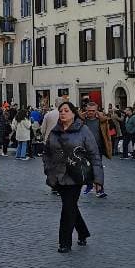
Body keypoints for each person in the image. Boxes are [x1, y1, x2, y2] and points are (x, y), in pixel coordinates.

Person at [42, 101, 104, 253]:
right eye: (61, 111)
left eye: (66, 111)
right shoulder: (54, 131)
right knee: (71, 206)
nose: (63, 113)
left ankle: (64, 242)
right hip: (58, 174)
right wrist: (48, 169)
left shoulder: (83, 130)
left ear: (73, 113)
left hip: (76, 175)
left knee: (68, 207)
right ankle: (82, 232)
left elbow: (94, 154)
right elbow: (47, 152)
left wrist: (98, 179)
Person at [81, 101, 112, 197]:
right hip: (85, 148)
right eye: (89, 110)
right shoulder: (82, 121)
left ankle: (99, 188)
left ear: (97, 111)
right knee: (87, 168)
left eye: (93, 111)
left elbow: (107, 131)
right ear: (86, 110)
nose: (90, 112)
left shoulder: (101, 121)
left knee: (98, 167)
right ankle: (89, 185)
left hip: (98, 147)